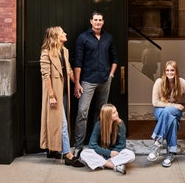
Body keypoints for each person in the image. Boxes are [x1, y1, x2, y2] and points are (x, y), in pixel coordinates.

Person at [74, 11, 119, 157]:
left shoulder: (108, 38)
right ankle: (79, 146)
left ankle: (97, 145)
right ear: (91, 21)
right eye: (95, 20)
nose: (98, 22)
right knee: (82, 112)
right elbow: (78, 63)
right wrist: (77, 83)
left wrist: (111, 75)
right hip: (87, 80)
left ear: (103, 22)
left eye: (100, 20)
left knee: (101, 113)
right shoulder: (83, 38)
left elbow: (115, 58)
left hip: (105, 80)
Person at [39, 26, 83, 167]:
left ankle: (53, 150)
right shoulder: (46, 53)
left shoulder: (64, 51)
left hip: (64, 92)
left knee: (59, 122)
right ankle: (68, 155)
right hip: (54, 93)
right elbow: (46, 76)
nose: (65, 33)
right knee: (61, 123)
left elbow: (69, 70)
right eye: (62, 32)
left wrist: (76, 83)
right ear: (56, 37)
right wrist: (51, 96)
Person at [80, 103, 135, 174]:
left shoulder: (120, 124)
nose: (117, 113)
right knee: (84, 153)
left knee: (131, 155)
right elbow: (92, 145)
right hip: (101, 153)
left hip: (115, 154)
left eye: (116, 111)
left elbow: (122, 145)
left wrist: (113, 154)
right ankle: (114, 166)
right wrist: (108, 153)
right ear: (108, 116)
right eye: (114, 113)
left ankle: (103, 163)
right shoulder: (98, 125)